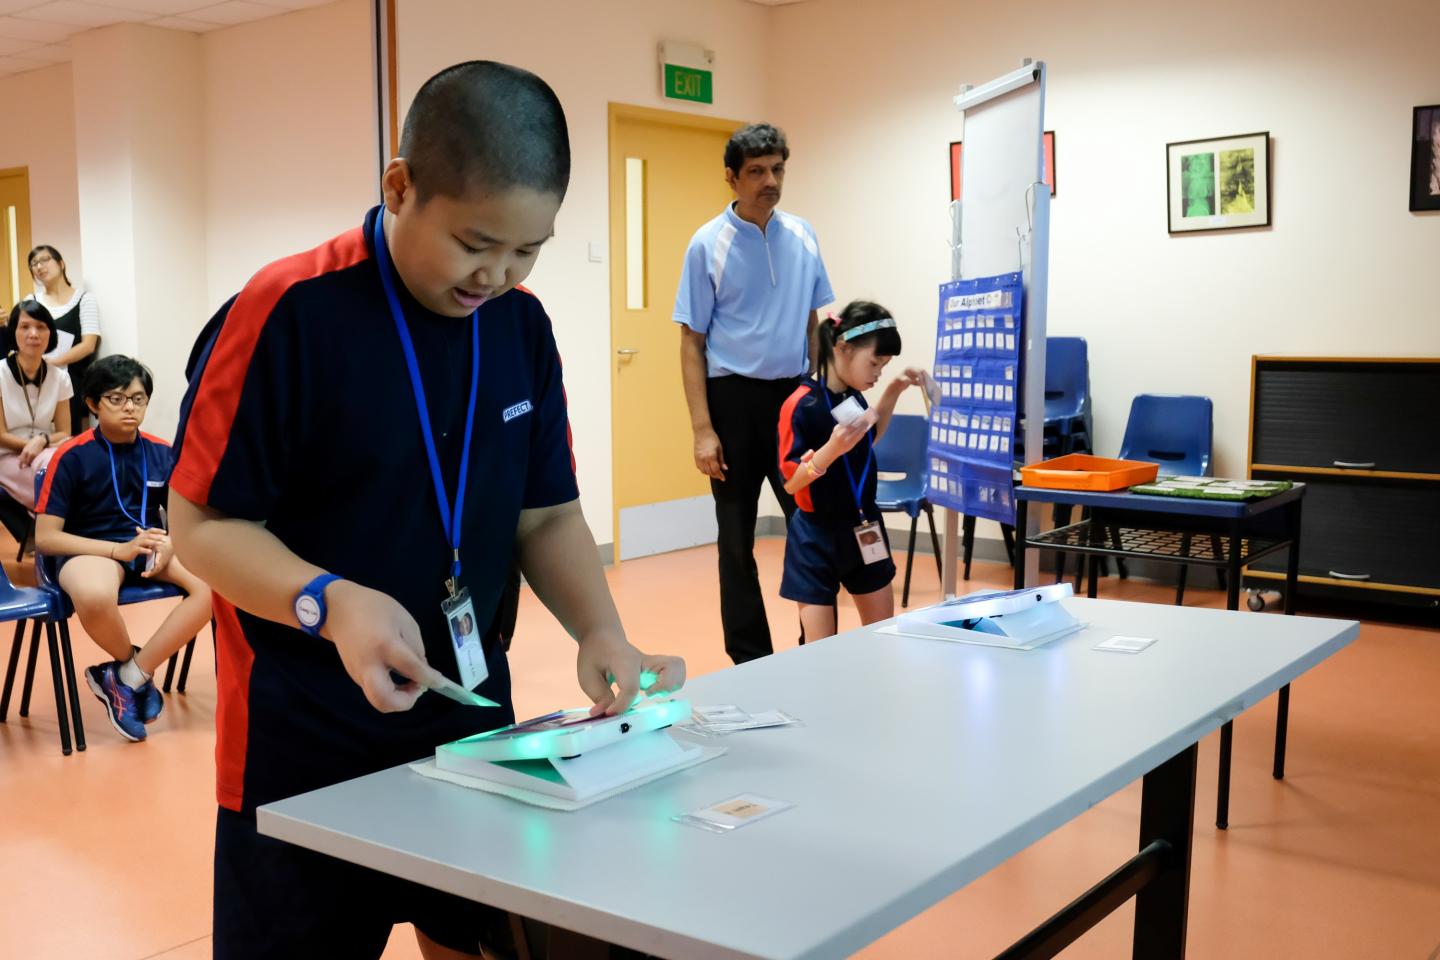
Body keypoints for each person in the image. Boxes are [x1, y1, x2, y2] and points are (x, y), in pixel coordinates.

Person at [168, 60, 685, 960]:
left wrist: (600, 632)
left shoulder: (520, 327)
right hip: (303, 745)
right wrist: (330, 601)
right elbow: (201, 525)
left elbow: (547, 516)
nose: (498, 273)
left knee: (476, 941)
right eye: (476, 241)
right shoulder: (287, 312)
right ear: (399, 187)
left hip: (472, 719)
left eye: (529, 250)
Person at [674, 122, 833, 665]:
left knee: (810, 526)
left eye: (778, 169)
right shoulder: (706, 244)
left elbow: (813, 321)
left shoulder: (805, 235)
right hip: (732, 401)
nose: (770, 181)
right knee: (735, 541)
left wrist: (818, 396)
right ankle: (750, 657)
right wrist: (702, 429)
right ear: (732, 177)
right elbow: (691, 341)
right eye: (757, 171)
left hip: (793, 400)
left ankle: (817, 643)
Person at [33, 355, 212, 742]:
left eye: (138, 398)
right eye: (116, 399)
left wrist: (171, 541)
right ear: (93, 404)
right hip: (89, 549)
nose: (130, 407)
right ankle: (131, 676)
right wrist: (116, 551)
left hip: (149, 545)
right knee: (96, 595)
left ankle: (126, 677)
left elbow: (187, 515)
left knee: (214, 587)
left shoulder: (163, 451)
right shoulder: (71, 456)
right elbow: (46, 537)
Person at [777, 301, 924, 643]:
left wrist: (896, 388)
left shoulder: (854, 399)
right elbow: (790, 482)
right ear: (842, 348)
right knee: (821, 652)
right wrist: (830, 450)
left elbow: (870, 435)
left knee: (882, 639)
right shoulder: (801, 404)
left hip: (864, 524)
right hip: (816, 536)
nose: (877, 372)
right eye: (874, 363)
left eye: (884, 366)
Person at [0, 301, 72, 508]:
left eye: (41, 327)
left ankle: (46, 536)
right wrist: (32, 445)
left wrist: (41, 441)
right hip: (6, 455)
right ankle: (49, 535)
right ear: (13, 331)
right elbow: (0, 435)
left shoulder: (60, 378)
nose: (34, 333)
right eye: (25, 327)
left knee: (65, 469)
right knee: (49, 481)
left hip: (46, 449)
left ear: (50, 332)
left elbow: (65, 431)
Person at [26, 245, 101, 430]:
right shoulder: (31, 300)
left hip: (74, 379)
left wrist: (54, 362)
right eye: (34, 263)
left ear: (61, 263)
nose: (39, 266)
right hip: (38, 378)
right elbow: (21, 336)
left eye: (45, 260)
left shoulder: (85, 298)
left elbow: (89, 345)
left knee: (71, 434)